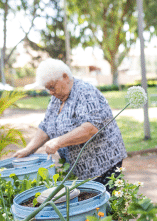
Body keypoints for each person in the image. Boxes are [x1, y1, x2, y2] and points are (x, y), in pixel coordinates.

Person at [13, 58, 127, 193]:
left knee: (103, 207)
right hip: (80, 169)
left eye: (52, 87)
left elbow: (90, 129)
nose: (50, 92)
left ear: (65, 77)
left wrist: (58, 142)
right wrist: (28, 149)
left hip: (101, 164)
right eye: (47, 88)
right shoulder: (57, 98)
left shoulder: (85, 92)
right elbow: (46, 127)